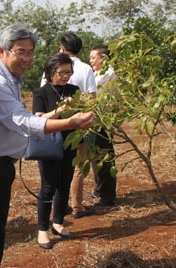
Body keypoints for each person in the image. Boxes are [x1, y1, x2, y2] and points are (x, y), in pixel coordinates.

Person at [0, 24, 95, 268]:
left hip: (0, 165)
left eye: (30, 52)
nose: (26, 58)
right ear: (1, 51)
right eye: (20, 52)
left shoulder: (12, 79)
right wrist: (69, 120)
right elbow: (24, 121)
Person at [32, 53, 80, 249]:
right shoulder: (41, 93)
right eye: (62, 72)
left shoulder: (74, 90)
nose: (66, 76)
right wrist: (60, 111)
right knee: (48, 187)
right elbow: (39, 118)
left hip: (70, 142)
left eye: (69, 72)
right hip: (50, 145)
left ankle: (58, 223)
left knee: (64, 184)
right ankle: (42, 230)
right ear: (51, 72)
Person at [54, 33, 97, 219]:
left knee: (57, 166)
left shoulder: (53, 67)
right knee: (78, 166)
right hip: (79, 124)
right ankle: (77, 206)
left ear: (63, 49)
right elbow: (92, 99)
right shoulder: (86, 69)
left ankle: (59, 207)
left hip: (56, 124)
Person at [88, 44, 117, 207]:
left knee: (105, 158)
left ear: (103, 59)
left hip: (103, 122)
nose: (91, 60)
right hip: (96, 121)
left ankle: (108, 196)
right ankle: (100, 189)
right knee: (96, 156)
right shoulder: (98, 72)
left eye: (93, 57)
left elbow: (95, 95)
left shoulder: (109, 74)